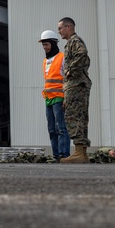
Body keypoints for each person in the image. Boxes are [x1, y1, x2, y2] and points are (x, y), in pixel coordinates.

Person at [57, 17, 93, 163]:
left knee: (73, 116)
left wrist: (70, 70)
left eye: (60, 28)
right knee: (81, 117)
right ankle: (82, 152)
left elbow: (82, 53)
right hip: (79, 85)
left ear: (69, 27)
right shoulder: (73, 42)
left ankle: (78, 152)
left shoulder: (74, 41)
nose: (59, 31)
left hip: (75, 85)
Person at [39, 30, 70, 161]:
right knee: (52, 129)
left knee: (61, 128)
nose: (45, 47)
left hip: (59, 97)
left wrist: (66, 98)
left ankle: (64, 154)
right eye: (43, 45)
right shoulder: (45, 61)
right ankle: (56, 155)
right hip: (48, 99)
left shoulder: (62, 58)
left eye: (47, 44)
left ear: (53, 43)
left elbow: (68, 79)